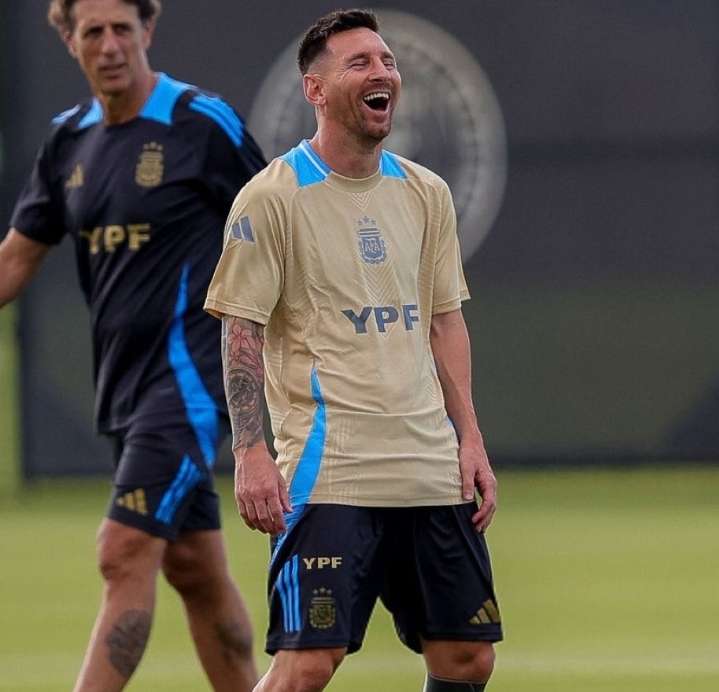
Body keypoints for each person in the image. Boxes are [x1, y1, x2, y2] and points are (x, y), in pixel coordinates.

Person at [204, 8, 502, 692]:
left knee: (467, 657)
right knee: (308, 664)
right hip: (329, 472)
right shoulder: (271, 198)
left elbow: (443, 323)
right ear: (314, 89)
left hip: (428, 468)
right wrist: (250, 452)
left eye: (388, 61)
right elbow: (241, 329)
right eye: (360, 62)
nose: (382, 73)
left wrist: (470, 439)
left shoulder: (426, 192)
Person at [0, 1, 266, 690]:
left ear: (148, 30)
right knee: (194, 569)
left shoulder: (201, 123)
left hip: (190, 383)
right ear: (70, 40)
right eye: (93, 31)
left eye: (123, 28)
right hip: (122, 387)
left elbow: (280, 225)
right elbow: (16, 259)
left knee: (122, 551)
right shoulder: (68, 140)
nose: (111, 45)